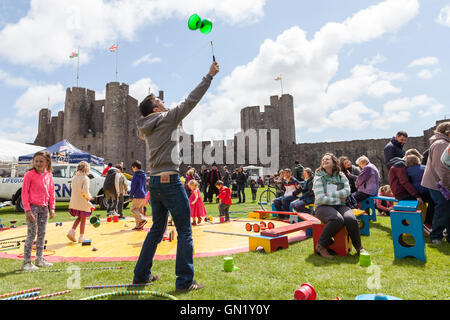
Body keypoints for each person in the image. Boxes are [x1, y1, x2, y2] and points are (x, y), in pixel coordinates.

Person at [132, 60, 219, 292]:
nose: (163, 101)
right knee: (184, 230)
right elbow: (192, 100)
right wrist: (208, 76)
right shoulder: (165, 117)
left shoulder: (150, 124)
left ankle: (140, 276)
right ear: (156, 108)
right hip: (170, 180)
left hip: (155, 182)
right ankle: (185, 282)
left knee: (156, 230)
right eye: (159, 101)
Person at [313, 153, 364, 260]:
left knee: (351, 218)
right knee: (337, 219)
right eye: (323, 159)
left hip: (340, 205)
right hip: (322, 206)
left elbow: (347, 191)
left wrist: (330, 193)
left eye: (327, 159)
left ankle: (359, 248)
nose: (324, 161)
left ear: (334, 162)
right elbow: (320, 198)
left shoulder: (341, 175)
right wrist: (338, 195)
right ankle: (321, 246)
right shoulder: (318, 177)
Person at [21, 151, 55, 270]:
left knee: (42, 233)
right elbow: (24, 193)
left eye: (41, 161)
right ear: (33, 162)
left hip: (44, 208)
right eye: (36, 161)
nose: (38, 163)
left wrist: (52, 208)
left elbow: (51, 192)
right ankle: (26, 262)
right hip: (32, 207)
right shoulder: (29, 174)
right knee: (32, 233)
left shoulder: (49, 175)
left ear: (47, 162)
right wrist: (27, 210)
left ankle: (39, 259)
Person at [421, 121, 450, 245]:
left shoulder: (442, 143)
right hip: (439, 184)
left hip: (439, 183)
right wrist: (447, 185)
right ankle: (436, 236)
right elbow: (441, 168)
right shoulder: (441, 144)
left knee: (446, 209)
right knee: (442, 208)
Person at [67, 161, 94, 243]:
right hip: (82, 202)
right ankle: (81, 236)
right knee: (83, 218)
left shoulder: (74, 177)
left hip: (75, 201)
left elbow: (72, 188)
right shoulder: (85, 178)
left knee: (80, 217)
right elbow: (85, 191)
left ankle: (72, 231)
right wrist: (89, 197)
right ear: (87, 169)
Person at [405, 153, 434, 231]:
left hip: (416, 193)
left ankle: (426, 224)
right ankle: (428, 223)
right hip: (428, 190)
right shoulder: (425, 167)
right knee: (434, 203)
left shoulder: (406, 171)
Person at [129, 160, 148, 231]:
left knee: (133, 209)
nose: (132, 169)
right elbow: (145, 186)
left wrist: (131, 196)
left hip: (137, 195)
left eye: (132, 168)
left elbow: (133, 186)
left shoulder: (136, 175)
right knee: (139, 210)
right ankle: (139, 226)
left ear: (135, 167)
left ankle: (142, 219)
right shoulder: (144, 175)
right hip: (143, 195)